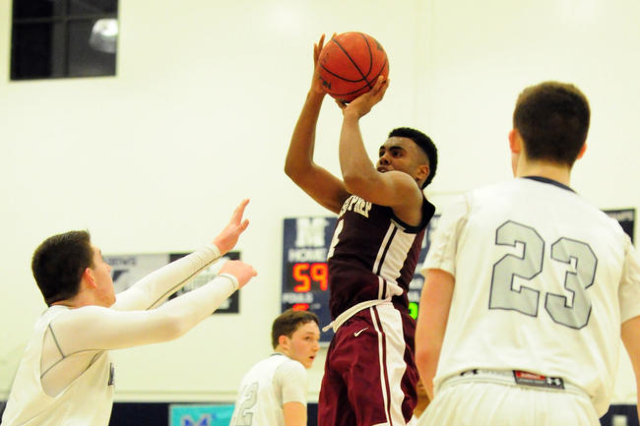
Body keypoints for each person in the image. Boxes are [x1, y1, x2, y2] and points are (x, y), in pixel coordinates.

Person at [414, 81, 640, 426]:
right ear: (581, 150)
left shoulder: (469, 207)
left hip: (471, 394)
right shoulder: (614, 237)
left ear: (514, 139)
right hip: (570, 406)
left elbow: (428, 347)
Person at [284, 35, 438, 426]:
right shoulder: (357, 199)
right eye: (382, 151)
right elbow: (297, 168)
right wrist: (316, 93)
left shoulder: (407, 192)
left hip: (378, 319)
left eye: (396, 153)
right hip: (346, 327)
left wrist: (352, 115)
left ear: (422, 172)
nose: (384, 156)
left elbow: (356, 174)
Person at [1, 200, 258, 426]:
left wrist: (215, 249)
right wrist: (228, 281)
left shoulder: (73, 322)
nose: (109, 267)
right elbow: (170, 323)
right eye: (102, 260)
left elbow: (146, 293)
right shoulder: (69, 324)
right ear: (89, 276)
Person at [229, 309, 321, 426]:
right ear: (284, 342)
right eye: (308, 338)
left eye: (317, 339)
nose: (316, 347)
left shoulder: (254, 370)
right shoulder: (293, 368)